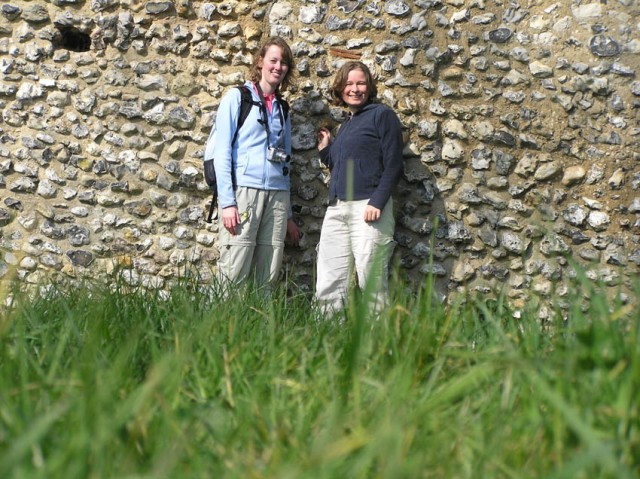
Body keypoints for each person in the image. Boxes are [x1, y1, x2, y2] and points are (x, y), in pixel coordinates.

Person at [211, 36, 300, 293]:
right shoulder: (237, 98)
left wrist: (290, 216)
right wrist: (227, 202)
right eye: (273, 60)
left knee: (268, 276)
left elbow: (286, 163)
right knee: (234, 271)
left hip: (277, 198)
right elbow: (222, 152)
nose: (278, 67)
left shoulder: (282, 108)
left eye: (284, 63)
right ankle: (223, 330)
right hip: (244, 194)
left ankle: (259, 330)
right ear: (260, 61)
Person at [316, 61, 404, 314]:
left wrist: (377, 201)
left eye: (361, 83)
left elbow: (394, 163)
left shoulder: (381, 115)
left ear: (369, 87)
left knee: (371, 281)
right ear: (341, 88)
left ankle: (377, 344)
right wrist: (326, 151)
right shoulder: (347, 124)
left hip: (368, 207)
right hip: (337, 208)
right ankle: (327, 337)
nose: (355, 89)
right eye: (349, 84)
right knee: (329, 281)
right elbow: (343, 165)